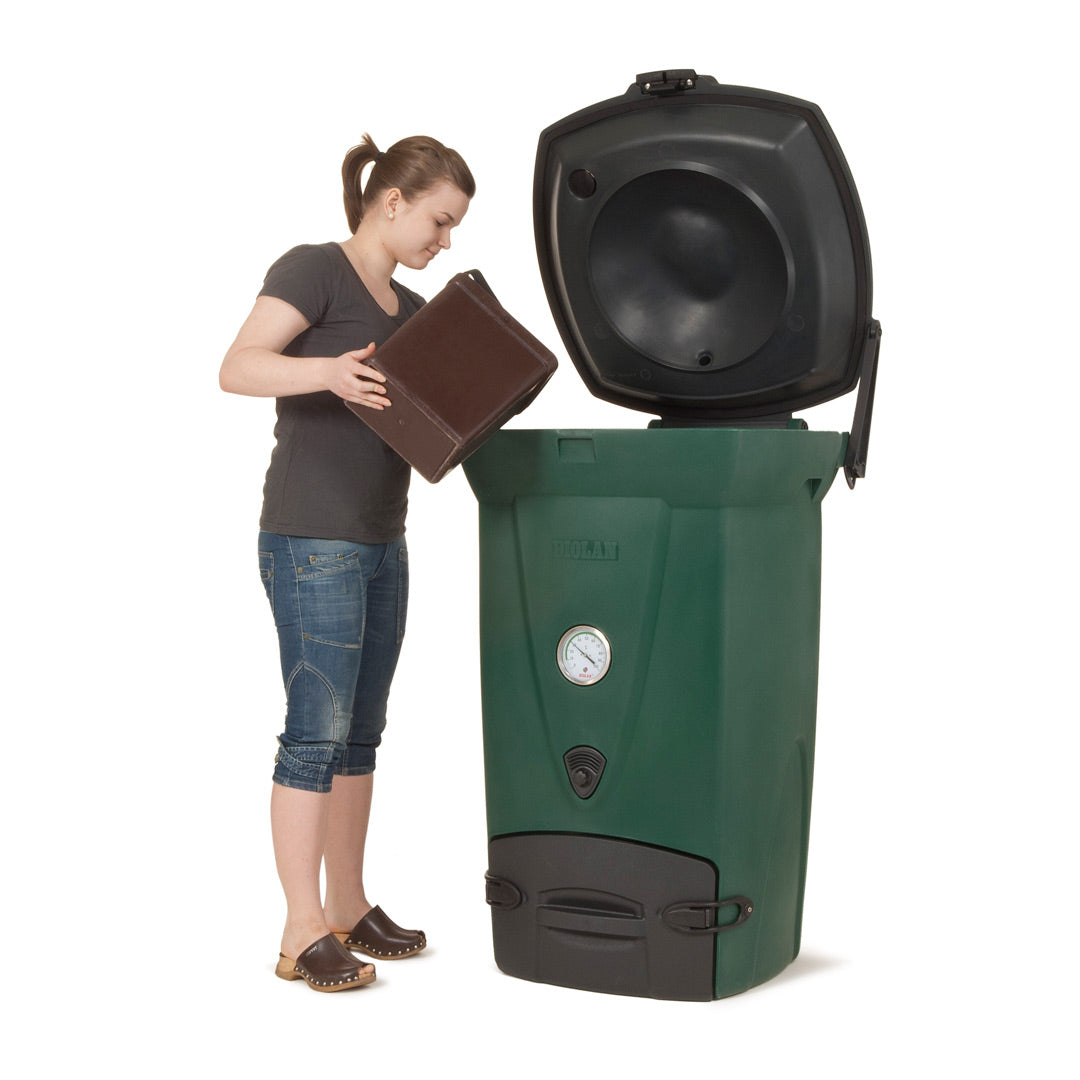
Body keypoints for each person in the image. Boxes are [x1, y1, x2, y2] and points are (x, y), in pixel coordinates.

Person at [220, 134, 475, 992]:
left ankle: (347, 907)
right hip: (311, 538)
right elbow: (237, 367)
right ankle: (299, 933)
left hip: (380, 536)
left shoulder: (407, 311)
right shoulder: (314, 269)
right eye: (439, 221)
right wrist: (325, 370)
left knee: (361, 734)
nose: (445, 241)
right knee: (315, 735)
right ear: (392, 201)